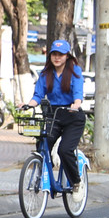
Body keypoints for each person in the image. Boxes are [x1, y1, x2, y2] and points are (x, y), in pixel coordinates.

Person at [27, 39, 85, 187]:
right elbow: (38, 95)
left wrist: (76, 104)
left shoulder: (75, 71)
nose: (57, 57)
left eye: (61, 54)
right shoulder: (45, 73)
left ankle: (76, 183)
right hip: (53, 115)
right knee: (43, 144)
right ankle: (46, 170)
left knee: (64, 150)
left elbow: (78, 93)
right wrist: (27, 105)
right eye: (54, 54)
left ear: (67, 56)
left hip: (72, 115)